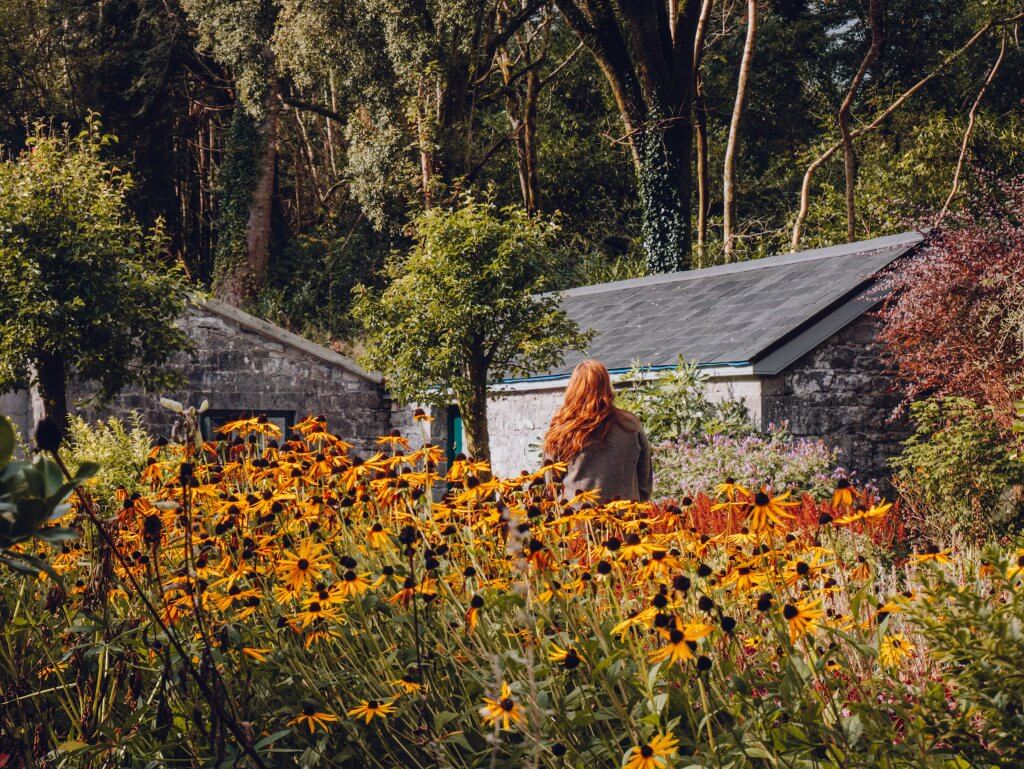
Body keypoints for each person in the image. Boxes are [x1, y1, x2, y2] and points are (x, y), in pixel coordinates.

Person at [542, 359, 653, 503]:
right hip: (625, 518)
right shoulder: (629, 424)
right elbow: (645, 481)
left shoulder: (562, 428)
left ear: (573, 388)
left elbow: (550, 483)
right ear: (606, 386)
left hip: (577, 518)